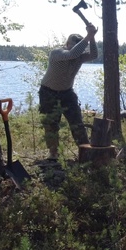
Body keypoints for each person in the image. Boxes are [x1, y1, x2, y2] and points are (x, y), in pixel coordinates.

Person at [38, 23, 98, 161]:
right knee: (51, 125)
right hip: (49, 93)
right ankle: (53, 154)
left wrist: (92, 38)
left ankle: (85, 152)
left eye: (79, 44)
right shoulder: (57, 53)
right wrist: (88, 37)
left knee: (77, 124)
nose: (75, 46)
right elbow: (72, 53)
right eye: (73, 44)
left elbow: (94, 55)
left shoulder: (80, 57)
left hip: (67, 94)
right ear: (67, 43)